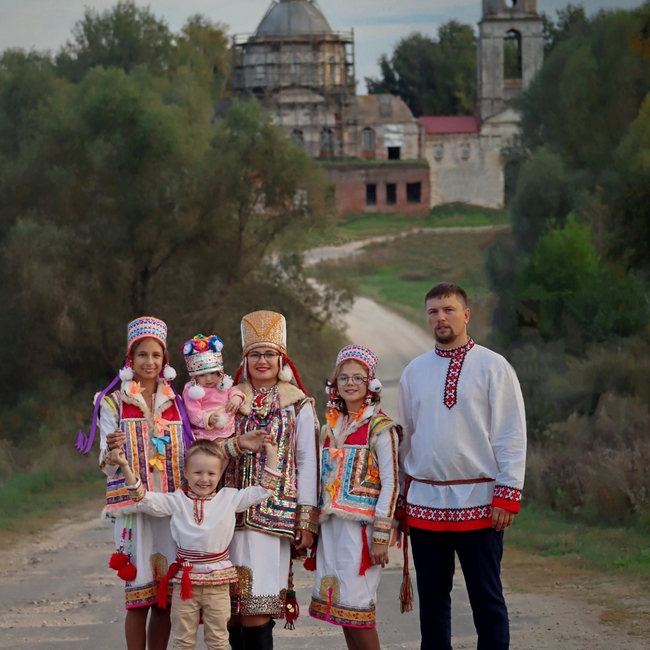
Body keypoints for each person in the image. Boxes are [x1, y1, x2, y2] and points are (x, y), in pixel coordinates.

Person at [91, 316, 265, 650]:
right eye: (142, 355)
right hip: (135, 509)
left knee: (164, 597)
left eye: (156, 355)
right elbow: (107, 468)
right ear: (130, 358)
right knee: (137, 597)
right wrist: (112, 453)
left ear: (165, 360)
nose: (149, 362)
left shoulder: (178, 403)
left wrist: (237, 445)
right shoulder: (112, 402)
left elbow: (200, 452)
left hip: (173, 508)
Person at [398, 283, 526, 650]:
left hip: (480, 502)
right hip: (425, 503)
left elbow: (511, 433)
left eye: (448, 310)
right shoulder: (414, 371)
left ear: (466, 315)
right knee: (432, 600)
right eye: (433, 312)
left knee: (486, 598)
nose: (440, 317)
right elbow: (405, 438)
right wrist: (401, 499)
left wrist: (507, 494)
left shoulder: (493, 366)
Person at [109, 437, 281, 650]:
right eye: (198, 472)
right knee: (183, 641)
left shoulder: (229, 498)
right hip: (185, 582)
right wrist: (124, 466)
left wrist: (271, 454)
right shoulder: (177, 500)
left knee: (218, 640)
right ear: (186, 472)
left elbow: (265, 489)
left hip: (218, 582)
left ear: (219, 474)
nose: (204, 479)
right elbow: (142, 498)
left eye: (211, 473)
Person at [223, 310, 320, 650]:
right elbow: (207, 451)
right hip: (227, 515)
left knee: (258, 607)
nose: (262, 361)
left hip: (274, 515)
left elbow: (307, 462)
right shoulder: (229, 401)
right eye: (255, 354)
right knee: (228, 611)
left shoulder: (298, 404)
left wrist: (306, 519)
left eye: (269, 354)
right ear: (245, 360)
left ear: (282, 360)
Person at [309, 345, 400, 650]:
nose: (350, 383)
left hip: (361, 531)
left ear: (371, 383)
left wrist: (381, 537)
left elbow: (391, 484)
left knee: (358, 608)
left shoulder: (381, 428)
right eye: (343, 377)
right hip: (332, 528)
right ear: (334, 384)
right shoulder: (330, 427)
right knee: (342, 610)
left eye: (358, 377)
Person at [182, 334, 245, 440]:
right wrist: (209, 418)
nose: (208, 379)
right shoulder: (192, 390)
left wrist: (236, 398)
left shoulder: (222, 383)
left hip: (229, 430)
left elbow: (234, 391)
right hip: (205, 435)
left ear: (219, 373)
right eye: (202, 375)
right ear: (194, 377)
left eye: (212, 373)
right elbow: (193, 412)